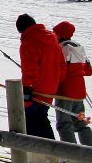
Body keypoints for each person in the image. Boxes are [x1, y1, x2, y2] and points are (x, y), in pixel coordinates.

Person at [16, 13, 65, 150]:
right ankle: (53, 153)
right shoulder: (53, 39)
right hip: (50, 87)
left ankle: (37, 154)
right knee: (42, 117)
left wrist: (27, 88)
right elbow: (61, 64)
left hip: (35, 88)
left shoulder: (29, 42)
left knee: (31, 119)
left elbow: (30, 69)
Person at [52, 21, 92, 149]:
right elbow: (88, 70)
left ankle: (72, 156)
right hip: (79, 92)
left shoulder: (62, 48)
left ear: (60, 34)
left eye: (55, 33)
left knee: (64, 124)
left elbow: (61, 71)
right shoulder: (79, 47)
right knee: (80, 122)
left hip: (65, 93)